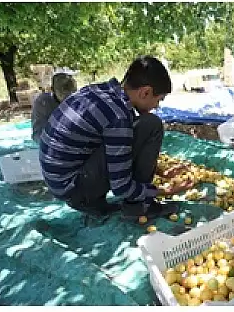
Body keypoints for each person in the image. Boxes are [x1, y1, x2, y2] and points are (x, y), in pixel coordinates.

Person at [39, 56, 182, 219]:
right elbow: (120, 187)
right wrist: (161, 191)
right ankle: (140, 207)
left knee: (138, 128)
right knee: (151, 124)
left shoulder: (99, 91)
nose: (157, 106)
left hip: (59, 181)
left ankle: (94, 201)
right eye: (158, 100)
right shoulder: (118, 116)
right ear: (145, 92)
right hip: (73, 189)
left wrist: (157, 169)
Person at [31, 72, 78, 142]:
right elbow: (38, 134)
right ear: (52, 90)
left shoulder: (79, 99)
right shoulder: (43, 103)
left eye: (72, 91)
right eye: (63, 92)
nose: (68, 95)